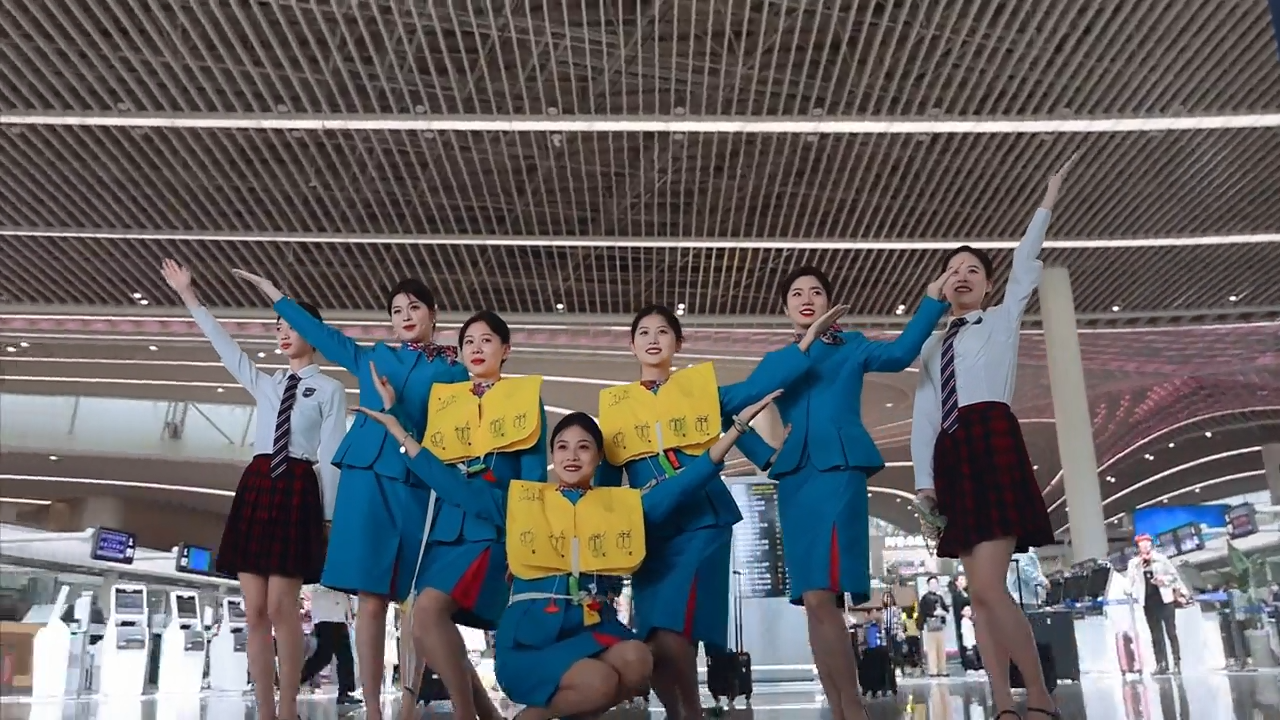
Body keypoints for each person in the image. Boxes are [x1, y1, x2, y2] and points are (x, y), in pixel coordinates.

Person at [353, 368, 783, 720]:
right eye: (562, 447)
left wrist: (735, 429)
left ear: (599, 457)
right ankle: (535, 715)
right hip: (532, 642)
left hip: (593, 631)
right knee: (600, 683)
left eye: (583, 448)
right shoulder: (522, 504)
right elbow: (452, 484)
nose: (572, 455)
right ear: (553, 456)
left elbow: (684, 484)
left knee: (637, 662)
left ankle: (545, 713)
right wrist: (401, 433)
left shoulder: (620, 508)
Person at [232, 269, 469, 720]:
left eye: (414, 307)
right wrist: (277, 296)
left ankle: (409, 701)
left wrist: (399, 413)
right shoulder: (375, 357)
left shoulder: (453, 372)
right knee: (370, 599)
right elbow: (325, 335)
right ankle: (374, 708)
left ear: (433, 313)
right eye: (397, 311)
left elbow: (453, 435)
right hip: (363, 478)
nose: (406, 316)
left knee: (413, 601)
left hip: (414, 481)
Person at [595, 303, 839, 720]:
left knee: (677, 627)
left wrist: (804, 343)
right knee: (653, 632)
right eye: (643, 333)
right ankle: (681, 713)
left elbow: (757, 386)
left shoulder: (703, 396)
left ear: (678, 342)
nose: (653, 339)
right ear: (631, 345)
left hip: (702, 522)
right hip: (649, 530)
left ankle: (690, 711)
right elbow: (605, 488)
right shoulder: (615, 411)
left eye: (663, 332)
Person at [738, 266, 950, 720]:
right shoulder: (779, 360)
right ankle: (839, 708)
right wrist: (764, 454)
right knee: (813, 602)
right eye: (796, 293)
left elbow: (901, 354)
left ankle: (852, 706)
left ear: (830, 303)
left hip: (839, 472)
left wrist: (932, 300)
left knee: (827, 596)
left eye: (816, 291)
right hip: (796, 479)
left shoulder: (851, 346)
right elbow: (728, 405)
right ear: (785, 308)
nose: (806, 299)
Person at [911, 155, 1078, 720]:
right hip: (952, 455)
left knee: (987, 587)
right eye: (952, 270)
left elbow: (1026, 262)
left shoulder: (1002, 320)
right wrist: (924, 483)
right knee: (978, 594)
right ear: (941, 284)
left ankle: (1040, 695)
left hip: (993, 444)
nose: (962, 275)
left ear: (986, 284)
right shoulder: (931, 345)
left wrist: (1047, 198)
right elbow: (925, 415)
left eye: (972, 270)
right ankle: (1004, 702)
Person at [161, 259, 345, 720]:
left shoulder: (329, 390)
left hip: (298, 487)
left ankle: (288, 707)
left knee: (283, 608)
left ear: (313, 334)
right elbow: (225, 346)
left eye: (291, 326)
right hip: (259, 485)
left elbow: (331, 455)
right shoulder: (267, 384)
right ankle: (265, 710)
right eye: (278, 327)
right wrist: (188, 295)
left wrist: (327, 517)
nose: (282, 334)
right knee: (255, 610)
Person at [398, 310, 542, 720]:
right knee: (425, 624)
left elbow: (532, 480)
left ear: (506, 349)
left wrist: (523, 543)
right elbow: (430, 464)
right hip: (447, 531)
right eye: (468, 342)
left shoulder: (524, 400)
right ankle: (488, 715)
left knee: (428, 613)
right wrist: (397, 419)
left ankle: (465, 714)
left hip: (492, 530)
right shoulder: (449, 402)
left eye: (487, 340)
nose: (476, 349)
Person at [1125, 534, 1185, 675]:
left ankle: (1177, 663)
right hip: (1148, 601)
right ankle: (1161, 664)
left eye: (1147, 543)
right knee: (1156, 634)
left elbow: (1174, 577)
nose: (1145, 546)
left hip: (1165, 600)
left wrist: (1163, 579)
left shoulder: (1161, 559)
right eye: (1142, 544)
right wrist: (1128, 590)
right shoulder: (1134, 563)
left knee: (1171, 632)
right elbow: (1129, 582)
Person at [301, 586, 360, 706]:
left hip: (338, 614)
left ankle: (345, 691)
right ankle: (297, 678)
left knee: (342, 654)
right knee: (325, 655)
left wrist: (349, 612)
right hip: (325, 614)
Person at [917, 576, 951, 677]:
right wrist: (934, 613)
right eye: (931, 583)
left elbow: (946, 609)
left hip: (940, 625)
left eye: (935, 583)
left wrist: (942, 613)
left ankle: (942, 669)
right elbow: (923, 612)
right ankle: (933, 670)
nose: (934, 585)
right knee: (932, 649)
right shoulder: (925, 598)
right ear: (928, 585)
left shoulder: (940, 597)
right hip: (930, 626)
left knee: (941, 649)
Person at [959, 606, 980, 673]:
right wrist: (968, 645)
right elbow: (965, 633)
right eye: (966, 611)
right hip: (969, 642)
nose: (968, 612)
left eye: (969, 610)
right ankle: (970, 668)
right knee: (971, 656)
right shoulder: (964, 621)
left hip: (973, 641)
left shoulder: (970, 620)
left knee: (975, 655)